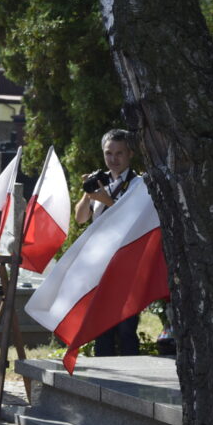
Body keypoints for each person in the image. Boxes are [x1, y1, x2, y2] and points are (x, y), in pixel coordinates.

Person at [73, 129, 141, 356]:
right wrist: (87, 193)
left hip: (127, 263)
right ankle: (103, 381)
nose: (113, 159)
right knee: (101, 327)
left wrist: (107, 201)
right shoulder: (100, 181)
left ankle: (131, 382)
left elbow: (135, 222)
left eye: (119, 153)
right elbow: (80, 218)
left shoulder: (138, 184)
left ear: (130, 154)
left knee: (126, 327)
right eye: (108, 153)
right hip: (100, 263)